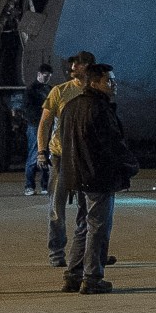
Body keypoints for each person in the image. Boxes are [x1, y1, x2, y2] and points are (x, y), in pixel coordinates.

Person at [56, 63, 137, 294]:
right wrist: (130, 165)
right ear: (94, 82)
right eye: (109, 80)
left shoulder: (71, 106)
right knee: (98, 227)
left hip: (76, 175)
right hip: (98, 175)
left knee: (83, 224)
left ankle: (73, 273)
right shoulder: (100, 109)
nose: (114, 84)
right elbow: (111, 144)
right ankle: (92, 277)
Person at [37, 51, 93, 267]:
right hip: (61, 156)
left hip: (85, 157)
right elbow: (45, 122)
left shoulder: (93, 91)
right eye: (71, 64)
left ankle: (88, 250)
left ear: (87, 66)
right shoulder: (59, 91)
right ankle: (57, 252)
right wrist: (41, 151)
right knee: (56, 208)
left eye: (77, 64)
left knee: (87, 208)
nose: (72, 68)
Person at [21, 62, 53, 196]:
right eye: (45, 76)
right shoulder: (31, 90)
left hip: (45, 125)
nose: (46, 79)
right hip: (35, 126)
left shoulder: (49, 89)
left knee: (45, 155)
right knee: (35, 154)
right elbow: (28, 109)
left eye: (48, 76)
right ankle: (29, 185)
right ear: (39, 74)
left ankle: (44, 184)